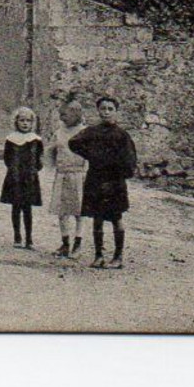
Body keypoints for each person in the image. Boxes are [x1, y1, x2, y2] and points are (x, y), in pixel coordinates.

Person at [70, 96, 140, 269]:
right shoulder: (92, 131)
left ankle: (118, 257)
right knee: (97, 217)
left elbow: (131, 160)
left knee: (116, 217)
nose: (106, 112)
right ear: (98, 111)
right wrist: (91, 155)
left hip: (115, 181)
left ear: (116, 112)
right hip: (95, 178)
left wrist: (120, 172)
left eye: (110, 109)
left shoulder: (122, 135)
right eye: (103, 109)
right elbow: (74, 143)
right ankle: (98, 256)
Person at [48, 96, 89, 258]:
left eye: (65, 114)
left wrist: (86, 171)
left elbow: (89, 155)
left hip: (79, 175)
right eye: (61, 114)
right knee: (62, 211)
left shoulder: (84, 132)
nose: (61, 117)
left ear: (76, 114)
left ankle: (78, 243)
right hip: (62, 174)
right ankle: (65, 243)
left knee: (79, 211)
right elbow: (51, 151)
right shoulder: (59, 132)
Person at [1, 106, 44, 249]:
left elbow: (39, 159)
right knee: (16, 207)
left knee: (28, 209)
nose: (25, 123)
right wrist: (14, 170)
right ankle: (17, 237)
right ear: (16, 122)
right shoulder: (11, 139)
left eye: (28, 121)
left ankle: (29, 238)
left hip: (30, 178)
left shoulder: (36, 140)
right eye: (22, 120)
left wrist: (33, 170)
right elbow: (7, 158)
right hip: (15, 177)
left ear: (33, 123)